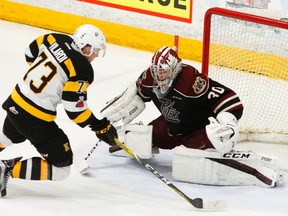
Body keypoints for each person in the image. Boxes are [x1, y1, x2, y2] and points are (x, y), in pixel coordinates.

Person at [100, 46, 283, 187]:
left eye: (162, 70)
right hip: (170, 126)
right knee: (140, 136)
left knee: (187, 159)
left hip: (197, 131)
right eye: (155, 70)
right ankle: (128, 143)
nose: (158, 75)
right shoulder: (149, 77)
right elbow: (139, 96)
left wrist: (228, 124)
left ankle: (253, 171)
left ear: (173, 68)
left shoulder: (192, 82)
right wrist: (124, 109)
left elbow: (229, 99)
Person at [0, 24, 118, 197]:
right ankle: (6, 168)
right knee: (61, 167)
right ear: (86, 48)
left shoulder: (54, 38)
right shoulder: (82, 70)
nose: (95, 56)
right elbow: (74, 110)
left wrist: (45, 83)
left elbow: (30, 52)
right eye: (95, 51)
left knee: (7, 137)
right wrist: (99, 126)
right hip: (34, 117)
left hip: (16, 101)